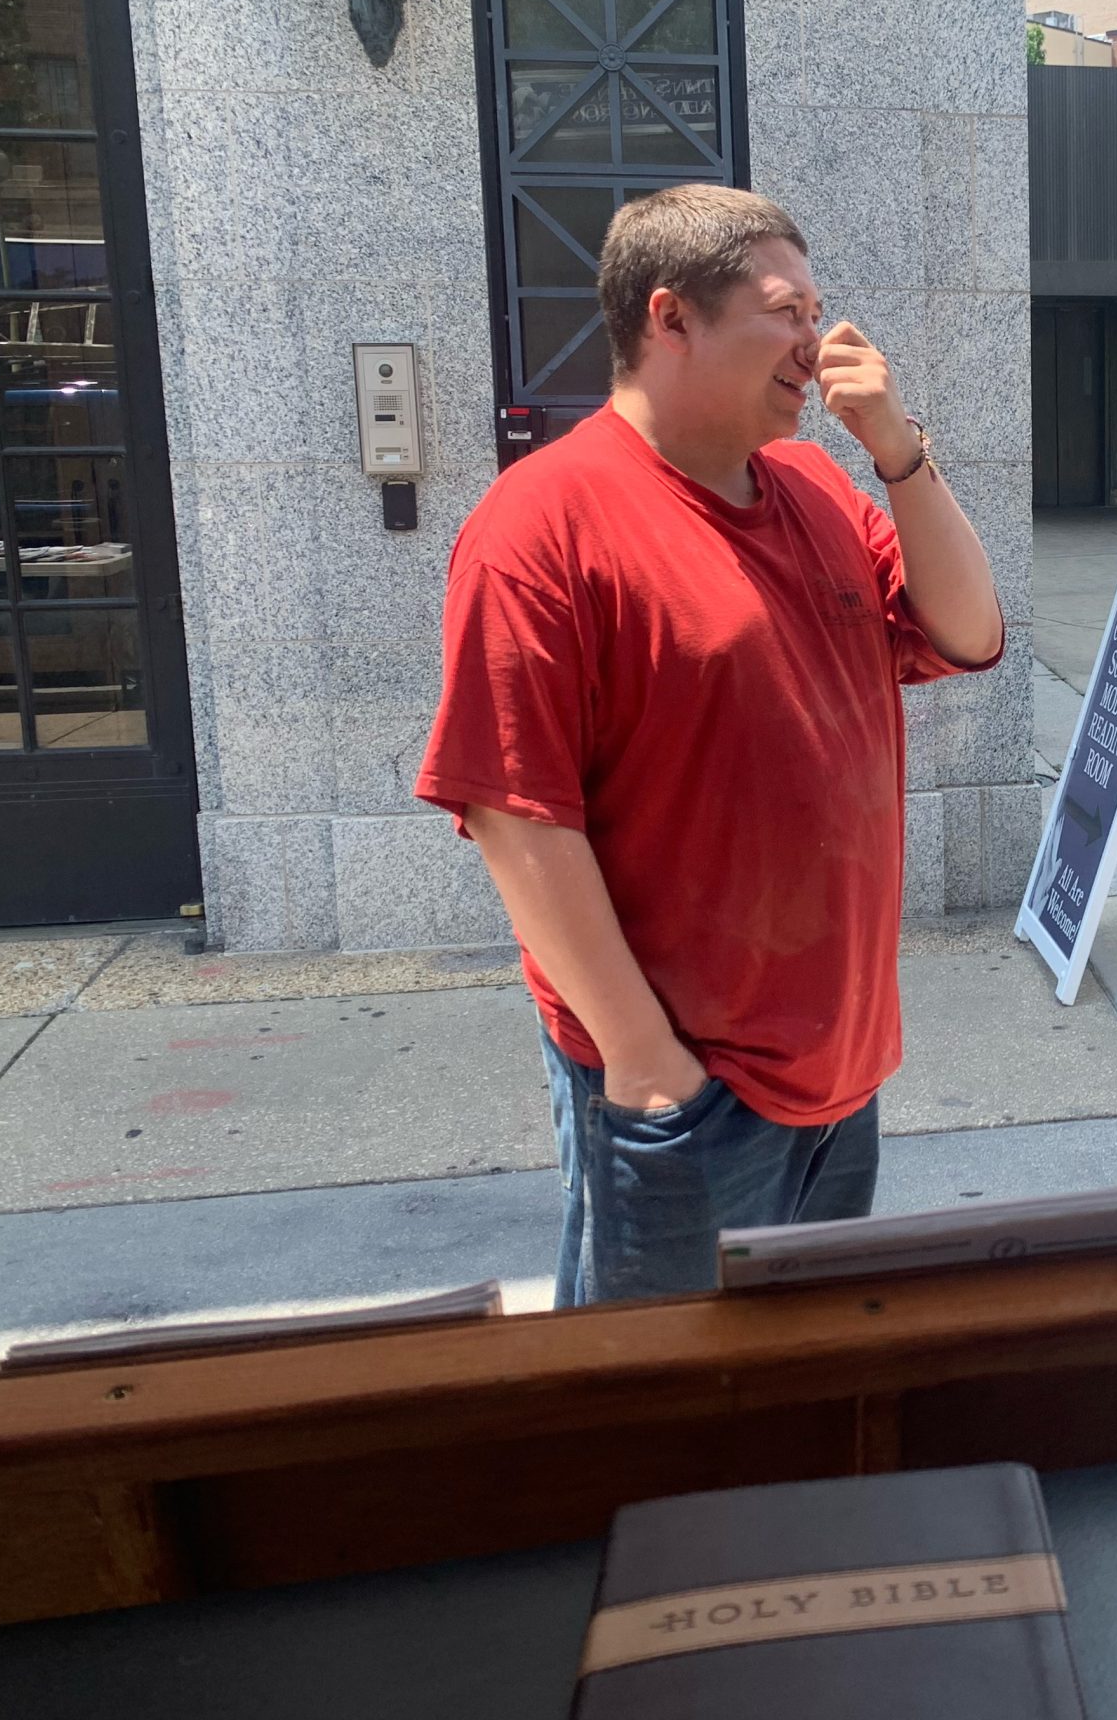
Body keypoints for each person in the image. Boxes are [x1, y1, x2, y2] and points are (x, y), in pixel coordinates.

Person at [415, 185, 1004, 1304]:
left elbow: (969, 633)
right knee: (661, 1393)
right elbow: (513, 811)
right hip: (687, 1092)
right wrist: (645, 1062)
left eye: (819, 311)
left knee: (805, 1374)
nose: (818, 343)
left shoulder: (817, 483)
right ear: (672, 316)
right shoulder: (541, 522)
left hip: (841, 1066)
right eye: (786, 312)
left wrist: (899, 453)